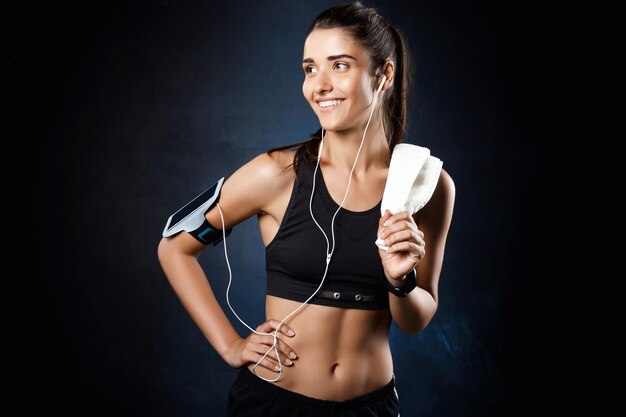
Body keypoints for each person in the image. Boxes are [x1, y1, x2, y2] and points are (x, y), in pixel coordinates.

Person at [158, 2, 455, 416]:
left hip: (371, 406)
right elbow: (174, 246)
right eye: (310, 68)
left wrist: (400, 280)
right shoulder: (277, 173)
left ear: (384, 75)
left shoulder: (425, 184)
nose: (319, 85)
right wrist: (230, 345)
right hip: (273, 402)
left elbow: (415, 319)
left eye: (339, 65)